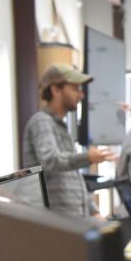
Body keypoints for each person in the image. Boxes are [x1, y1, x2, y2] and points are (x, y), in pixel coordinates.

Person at [22, 63, 116, 218]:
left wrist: (93, 211)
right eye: (75, 89)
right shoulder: (42, 121)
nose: (81, 95)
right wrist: (88, 157)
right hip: (55, 222)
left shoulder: (60, 126)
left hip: (72, 219)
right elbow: (50, 160)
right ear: (56, 90)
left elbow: (74, 176)